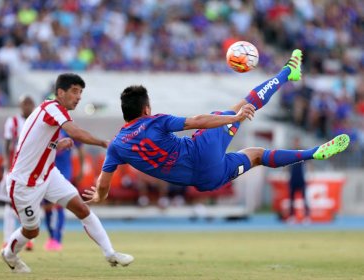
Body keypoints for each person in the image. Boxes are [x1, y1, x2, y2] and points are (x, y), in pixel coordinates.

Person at [83, 50, 350, 207]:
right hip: (201, 150)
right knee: (236, 107)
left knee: (255, 155)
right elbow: (197, 121)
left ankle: (312, 152)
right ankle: (287, 74)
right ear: (146, 110)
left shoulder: (117, 145)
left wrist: (97, 198)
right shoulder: (156, 121)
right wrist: (233, 118)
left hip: (204, 180)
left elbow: (103, 186)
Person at [0, 73, 134, 273]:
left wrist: (55, 144)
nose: (79, 96)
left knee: (82, 209)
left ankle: (110, 253)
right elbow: (76, 132)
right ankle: (9, 255)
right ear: (60, 92)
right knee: (32, 230)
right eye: (74, 91)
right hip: (24, 183)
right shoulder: (53, 108)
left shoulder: (49, 109)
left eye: (80, 92)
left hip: (48, 174)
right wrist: (104, 142)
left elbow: (34, 143)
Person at [0, 96, 35, 250]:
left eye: (30, 103)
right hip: (14, 167)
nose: (27, 106)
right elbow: (7, 141)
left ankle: (29, 239)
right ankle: (7, 238)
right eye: (25, 103)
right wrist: (6, 160)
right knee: (8, 203)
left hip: (31, 168)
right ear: (20, 105)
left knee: (30, 202)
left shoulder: (36, 120)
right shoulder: (12, 121)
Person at [43, 128, 85, 251]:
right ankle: (51, 237)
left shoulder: (68, 129)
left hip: (64, 172)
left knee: (60, 204)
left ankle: (57, 239)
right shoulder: (47, 128)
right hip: (46, 172)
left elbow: (80, 147)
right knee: (47, 207)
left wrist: (81, 169)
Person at [287, 137, 310, 223]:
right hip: (293, 177)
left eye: (297, 141)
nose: (296, 143)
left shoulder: (302, 152)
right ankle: (292, 217)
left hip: (301, 177)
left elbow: (309, 161)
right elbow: (286, 163)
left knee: (304, 198)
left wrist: (311, 172)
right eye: (295, 141)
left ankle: (306, 217)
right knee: (292, 198)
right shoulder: (290, 152)